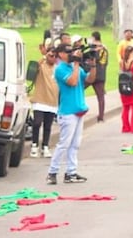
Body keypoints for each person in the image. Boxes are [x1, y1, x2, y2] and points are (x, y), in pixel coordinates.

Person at [48, 43, 92, 185]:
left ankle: (71, 172)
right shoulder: (60, 69)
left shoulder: (74, 67)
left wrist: (94, 64)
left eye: (72, 51)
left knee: (75, 144)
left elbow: (89, 79)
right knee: (64, 143)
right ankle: (52, 172)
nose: (71, 54)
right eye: (68, 52)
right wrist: (77, 63)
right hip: (67, 112)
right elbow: (73, 82)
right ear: (60, 54)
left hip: (78, 110)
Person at [29, 46, 59, 158]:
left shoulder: (57, 68)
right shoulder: (41, 66)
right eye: (51, 55)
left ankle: (45, 146)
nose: (53, 58)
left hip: (52, 101)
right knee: (37, 123)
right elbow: (32, 70)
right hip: (40, 99)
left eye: (55, 56)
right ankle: (34, 144)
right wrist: (43, 57)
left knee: (48, 125)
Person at [87, 31, 108, 123]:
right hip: (102, 73)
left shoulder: (93, 48)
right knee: (100, 97)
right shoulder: (105, 48)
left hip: (92, 73)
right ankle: (101, 116)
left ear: (94, 37)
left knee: (78, 90)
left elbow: (91, 59)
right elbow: (105, 62)